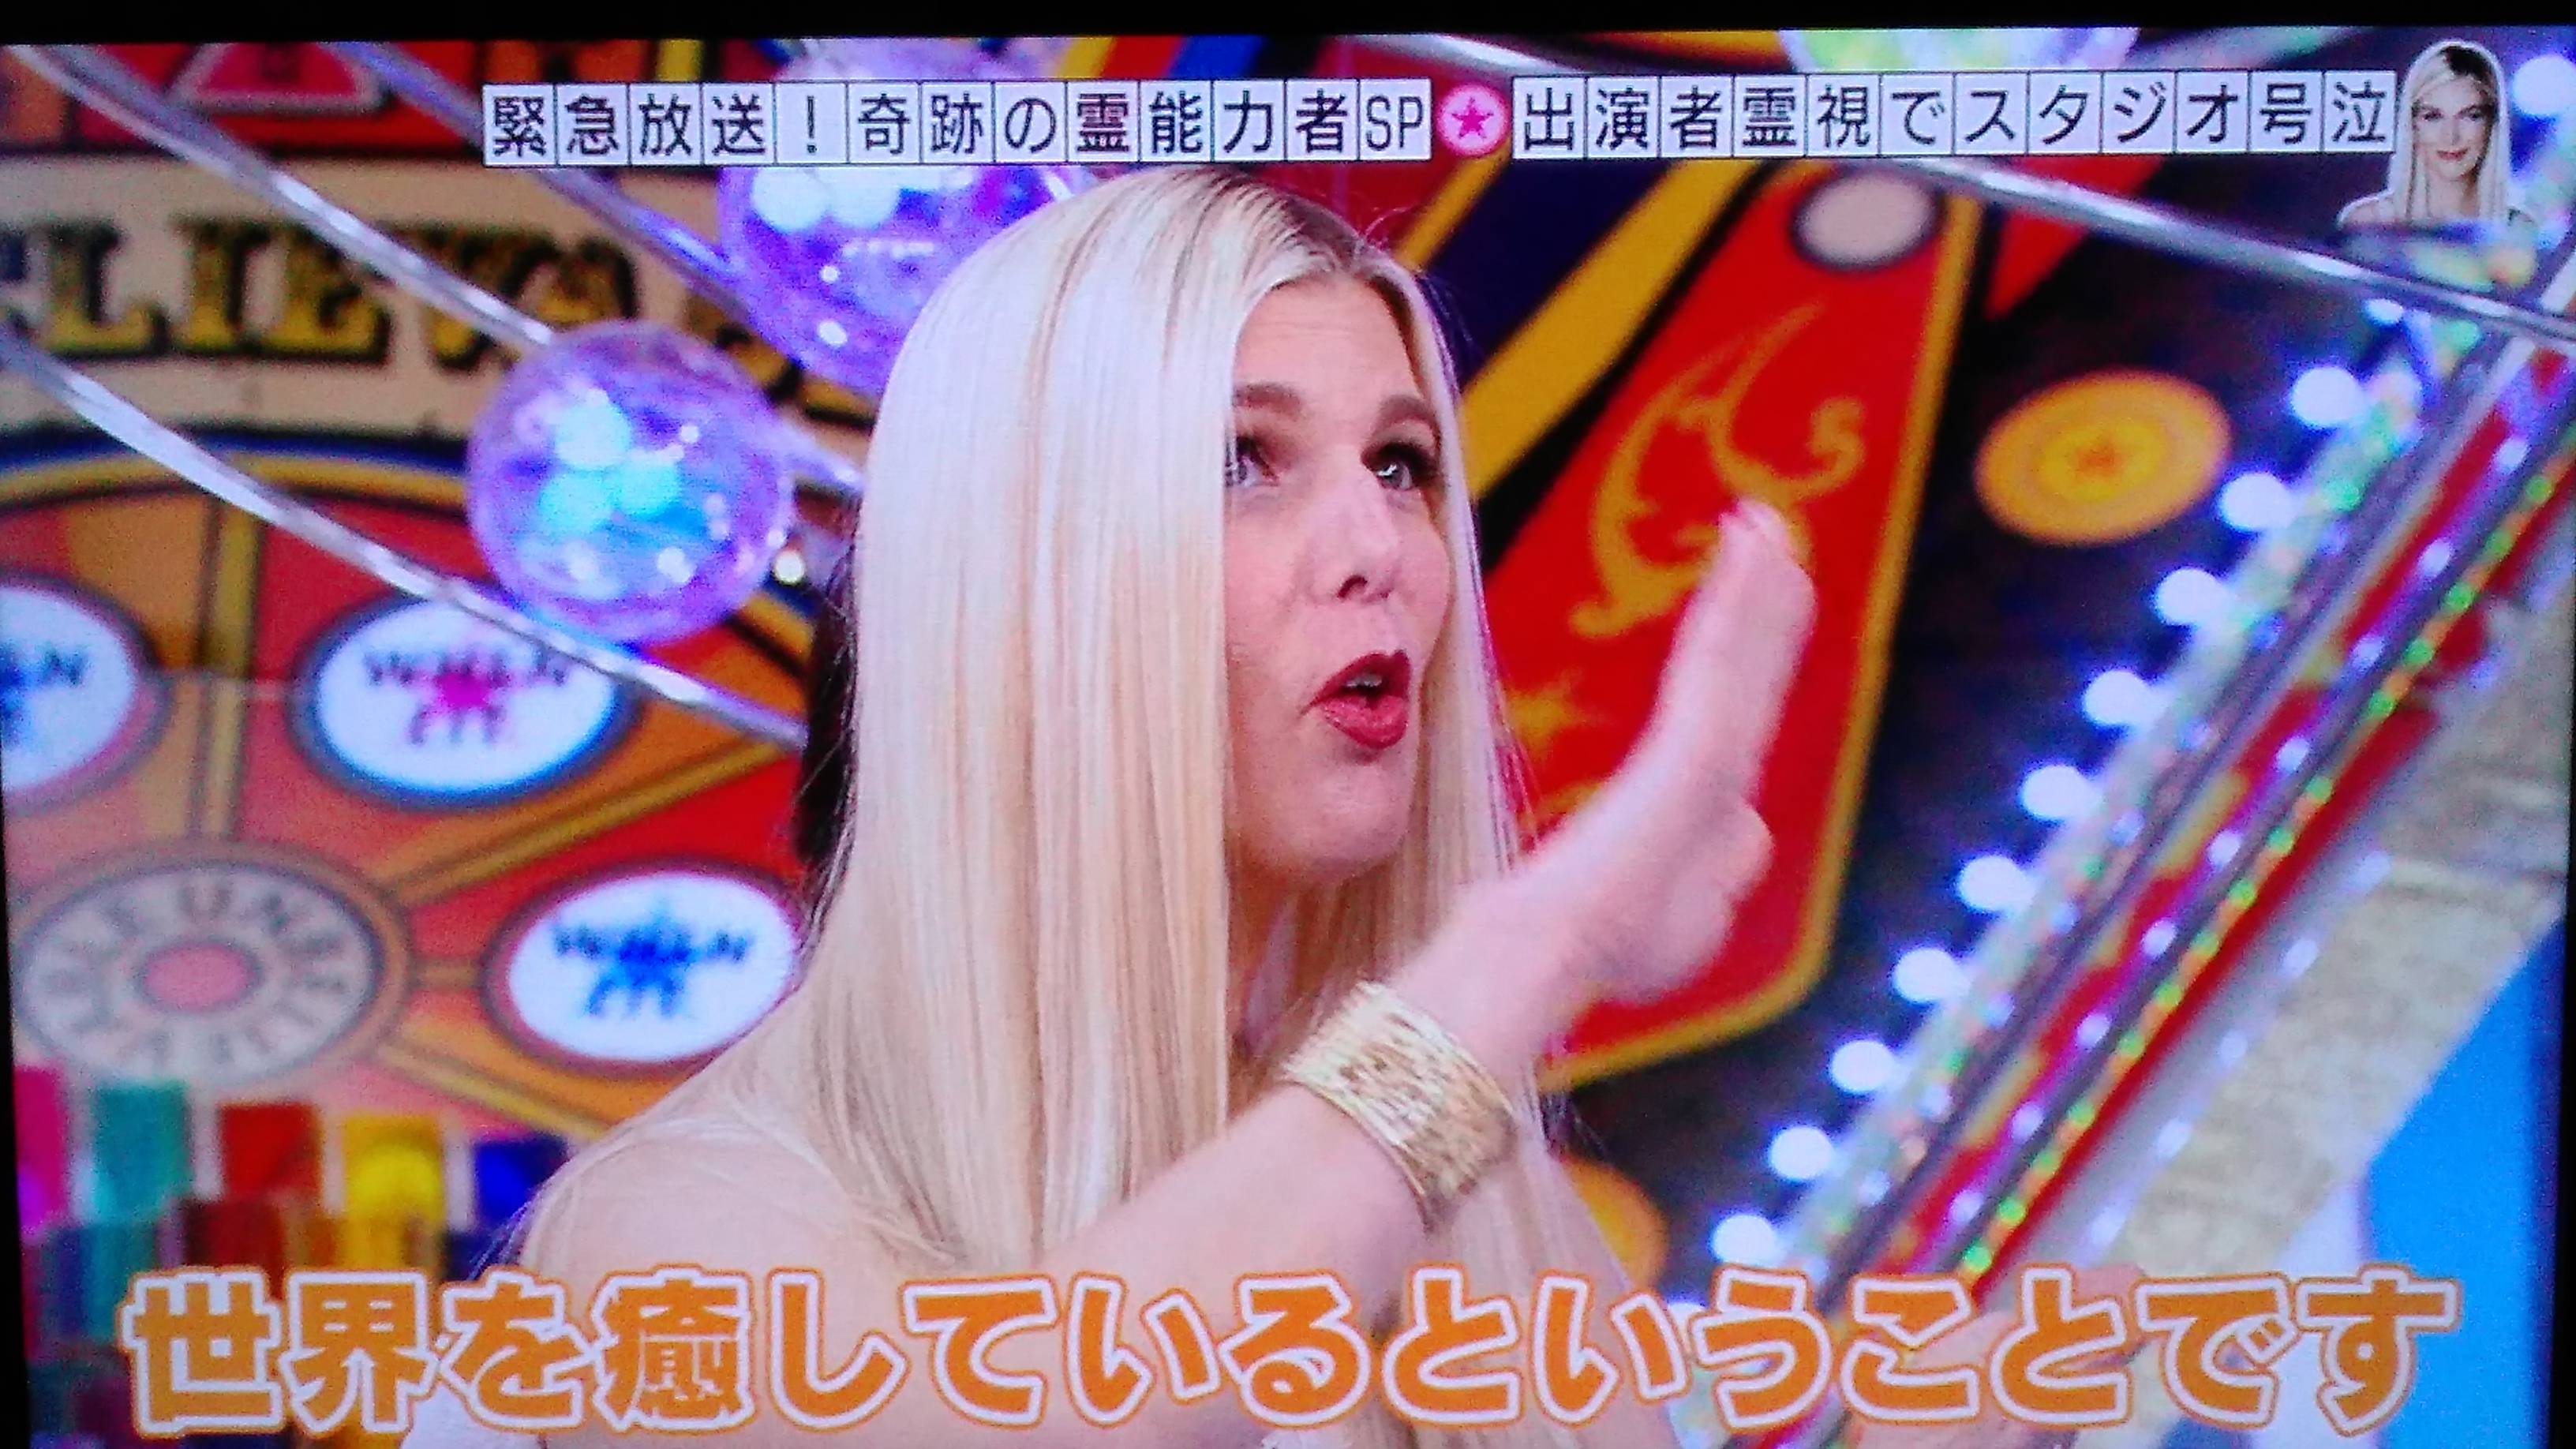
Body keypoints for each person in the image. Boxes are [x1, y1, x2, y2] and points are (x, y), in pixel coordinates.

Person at [405, 167, 2094, 1448]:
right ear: (1018, 588)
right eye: (1242, 460)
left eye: (1400, 465)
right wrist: (1545, 933)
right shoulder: (679, 1230)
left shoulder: (1485, 1209)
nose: (1377, 548)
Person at [2339, 39, 2533, 230]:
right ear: (2412, 124)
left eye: (2471, 116)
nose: (2450, 136)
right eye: (2433, 117)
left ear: (2492, 123)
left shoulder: (2518, 228)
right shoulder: (2369, 222)